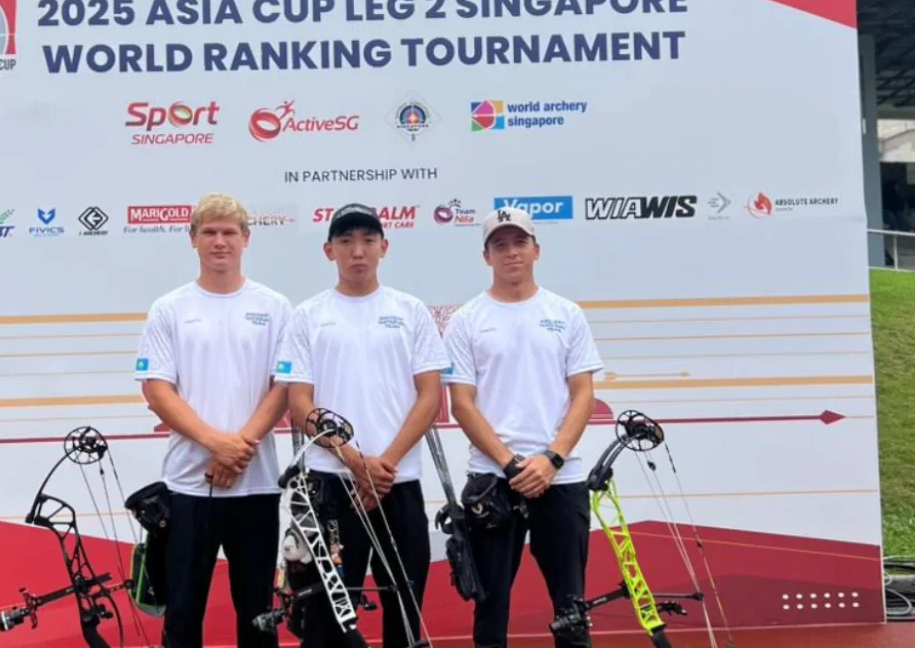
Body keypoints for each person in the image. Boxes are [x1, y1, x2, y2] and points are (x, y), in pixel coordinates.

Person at [272, 203, 449, 648]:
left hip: (397, 482)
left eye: (368, 241)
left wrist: (382, 465)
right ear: (328, 250)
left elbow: (430, 396)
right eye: (346, 241)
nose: (358, 251)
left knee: (405, 614)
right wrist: (354, 460)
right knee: (328, 620)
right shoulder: (308, 315)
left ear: (384, 247)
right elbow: (300, 404)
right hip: (331, 487)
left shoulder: (410, 310)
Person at [134, 192, 293, 648]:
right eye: (209, 232)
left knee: (258, 618)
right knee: (182, 616)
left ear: (246, 238)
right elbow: (157, 390)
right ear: (193, 239)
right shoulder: (170, 308)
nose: (219, 242)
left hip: (256, 486)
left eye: (228, 233)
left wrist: (238, 448)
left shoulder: (275, 306)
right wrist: (216, 444)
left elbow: (284, 386)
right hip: (189, 486)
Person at [441, 207, 604, 648]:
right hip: (494, 482)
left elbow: (583, 395)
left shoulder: (566, 313)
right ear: (486, 256)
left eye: (519, 243)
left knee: (571, 610)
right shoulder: (467, 320)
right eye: (500, 245)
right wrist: (511, 464)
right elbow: (462, 404)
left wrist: (551, 459)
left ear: (536, 250)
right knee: (490, 610)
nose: (511, 252)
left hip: (561, 478)